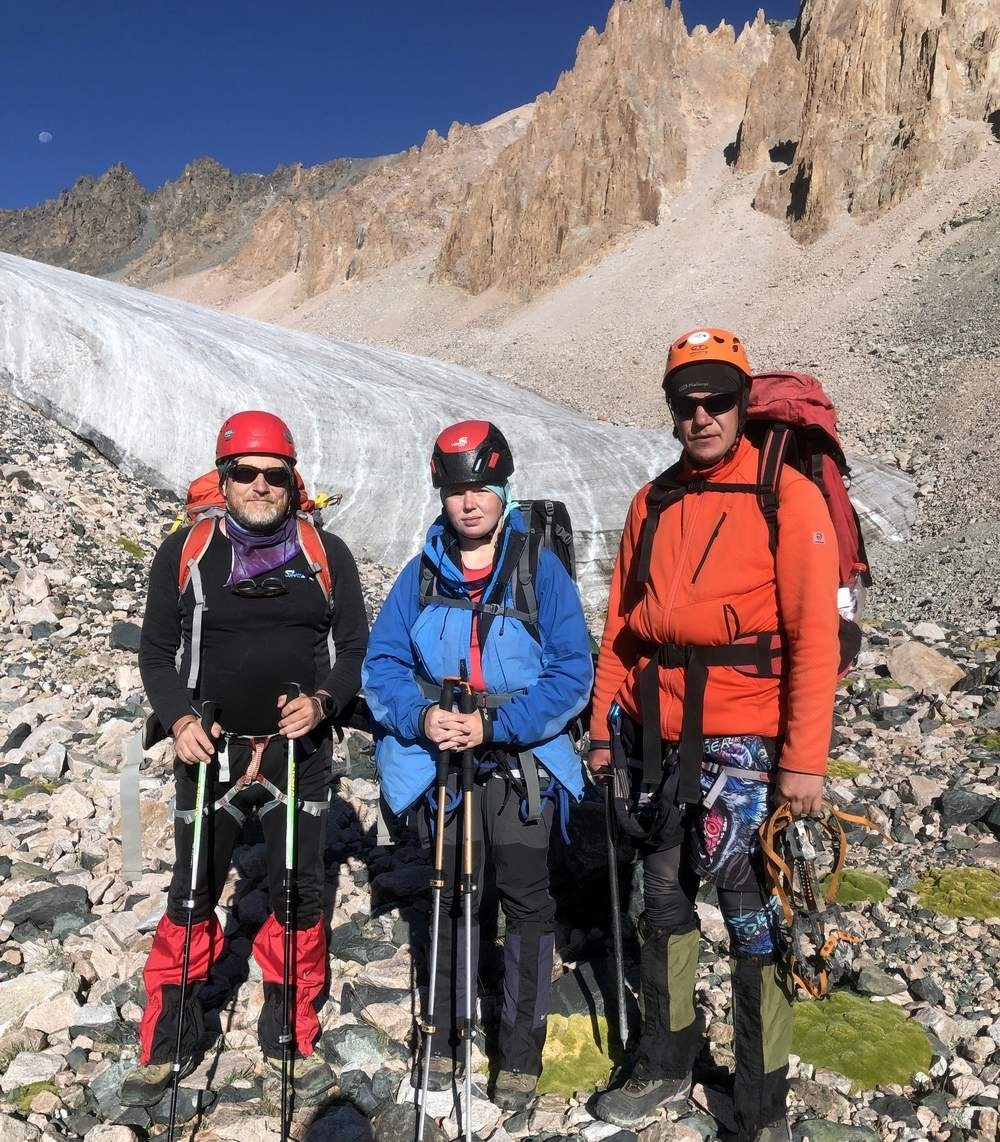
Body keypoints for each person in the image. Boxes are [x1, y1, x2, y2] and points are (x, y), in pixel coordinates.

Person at [588, 330, 840, 1142]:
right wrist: (601, 731)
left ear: (741, 403)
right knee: (658, 901)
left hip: (749, 744)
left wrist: (804, 761)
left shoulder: (787, 496)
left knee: (753, 915)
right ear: (670, 410)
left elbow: (813, 638)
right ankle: (667, 1062)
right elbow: (622, 631)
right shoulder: (651, 502)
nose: (701, 416)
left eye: (717, 400)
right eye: (686, 402)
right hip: (654, 741)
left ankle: (761, 1103)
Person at [120, 410, 369, 1107]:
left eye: (275, 474)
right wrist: (177, 718)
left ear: (294, 482)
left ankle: (289, 1034)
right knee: (193, 894)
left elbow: (353, 649)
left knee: (298, 897)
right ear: (224, 479)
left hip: (301, 753)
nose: (260, 485)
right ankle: (166, 1040)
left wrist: (322, 703)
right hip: (211, 749)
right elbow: (154, 650)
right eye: (246, 473)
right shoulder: (187, 552)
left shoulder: (328, 553)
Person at [362, 420, 593, 1111]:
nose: (469, 502)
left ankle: (518, 1051)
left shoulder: (536, 567)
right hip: (445, 763)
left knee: (525, 900)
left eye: (482, 488)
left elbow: (573, 672)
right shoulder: (422, 572)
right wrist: (424, 717)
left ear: (504, 491)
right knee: (448, 897)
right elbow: (383, 665)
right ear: (442, 493)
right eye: (457, 488)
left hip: (519, 763)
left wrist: (493, 722)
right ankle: (445, 1034)